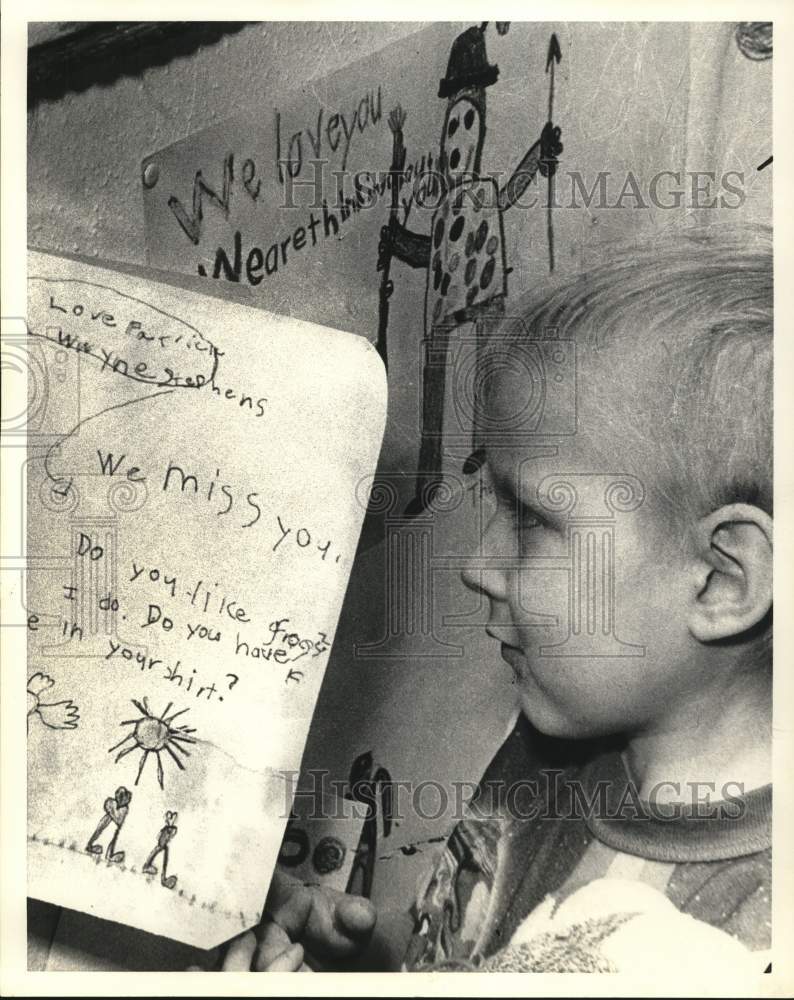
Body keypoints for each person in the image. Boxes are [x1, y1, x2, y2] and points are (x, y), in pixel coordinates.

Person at [207, 225, 773, 973]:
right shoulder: (543, 750)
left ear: (721, 580)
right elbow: (472, 954)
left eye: (532, 518)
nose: (478, 566)